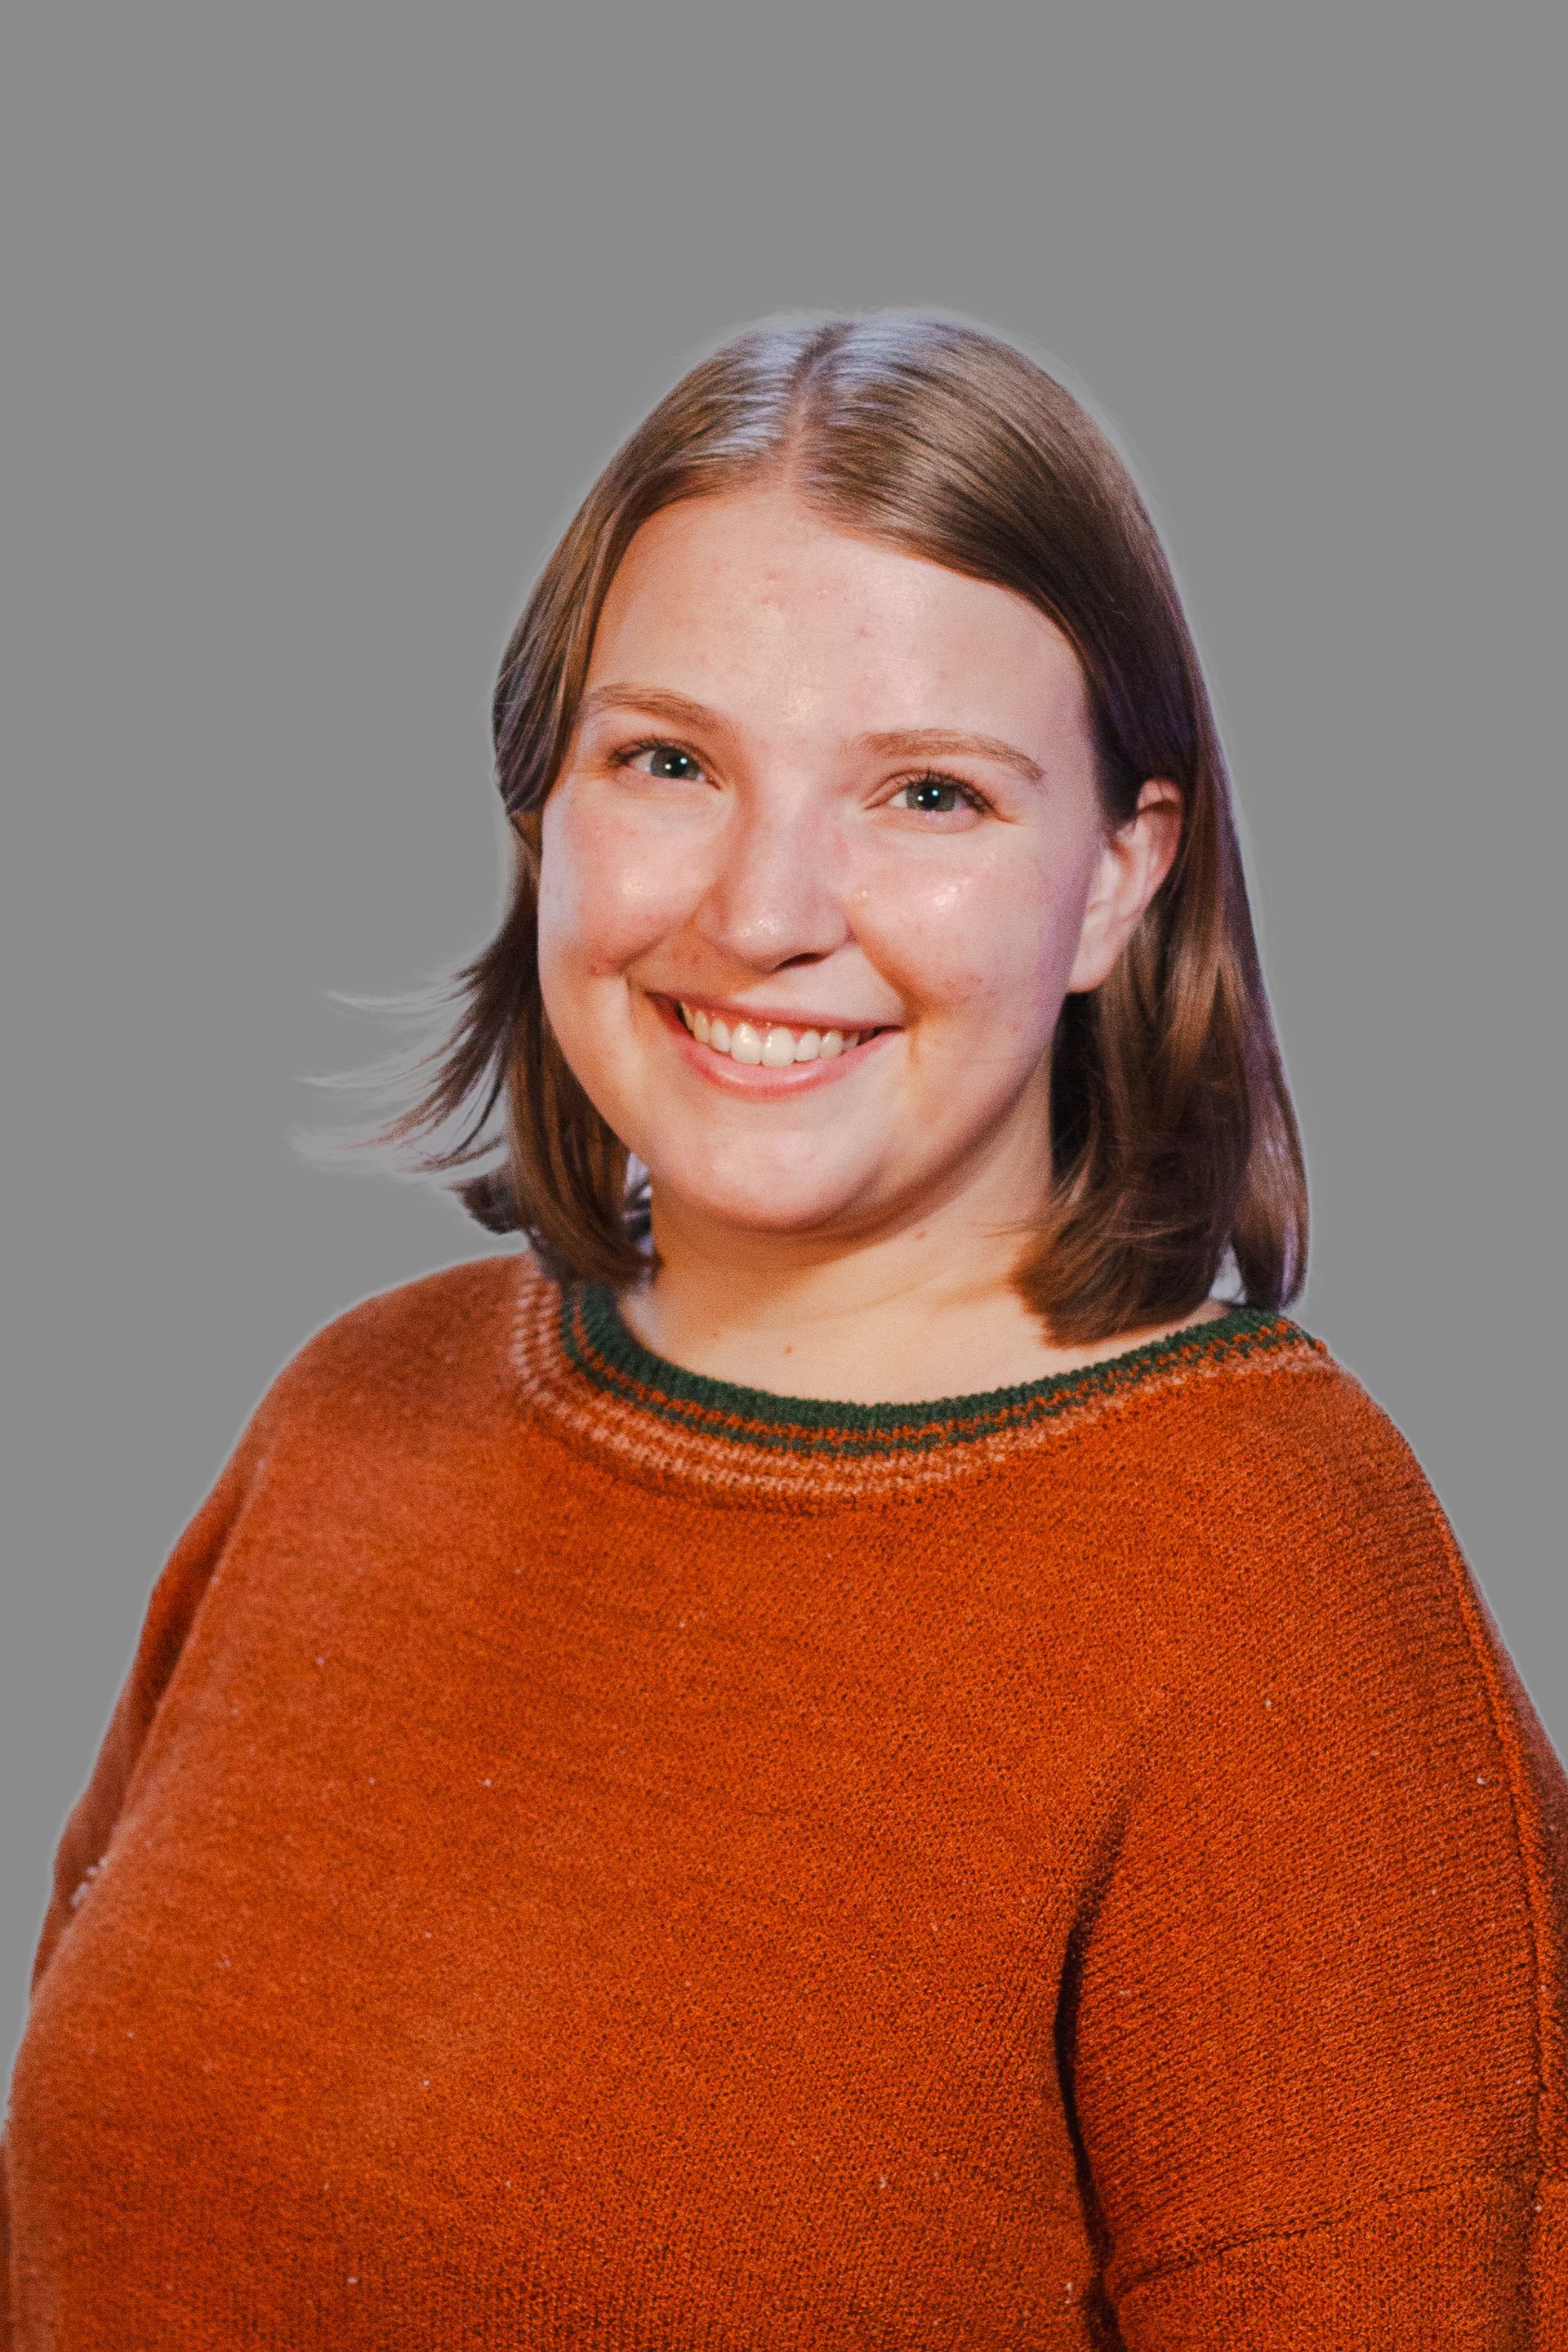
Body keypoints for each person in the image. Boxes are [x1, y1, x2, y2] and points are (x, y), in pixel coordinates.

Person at [3, 313, 1563, 2347]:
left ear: (1118, 878)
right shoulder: (351, 1418)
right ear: (545, 803)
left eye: (927, 794)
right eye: (669, 761)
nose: (762, 913)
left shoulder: (1271, 1591)